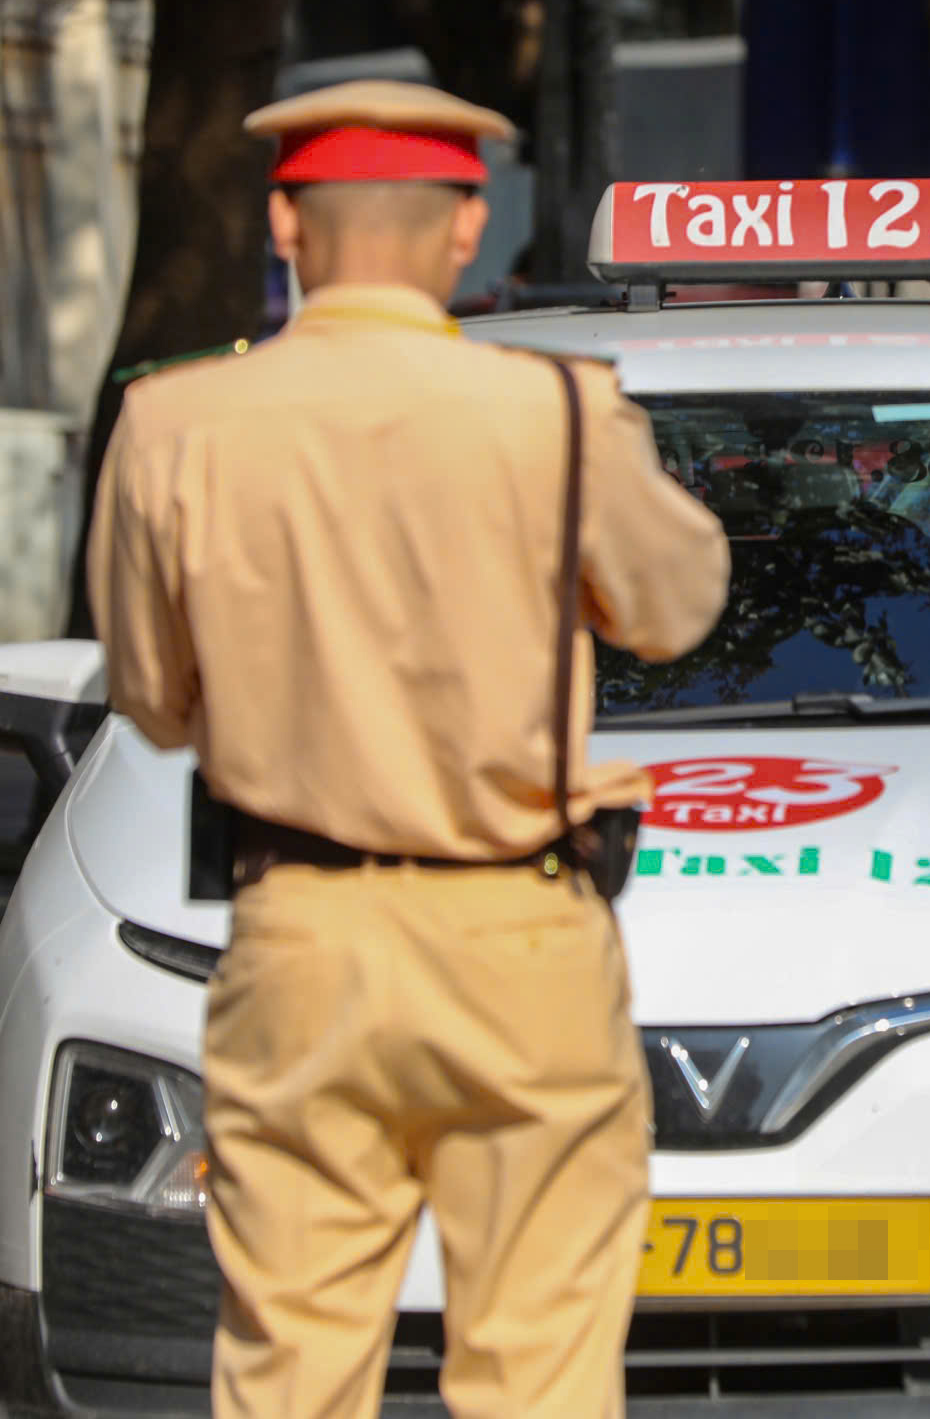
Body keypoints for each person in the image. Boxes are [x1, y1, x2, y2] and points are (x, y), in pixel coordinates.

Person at [86, 80, 730, 1417]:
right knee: (538, 1365)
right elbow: (678, 609)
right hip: (520, 934)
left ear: (284, 222)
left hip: (297, 937)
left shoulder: (171, 425)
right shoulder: (554, 412)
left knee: (293, 1362)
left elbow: (149, 695)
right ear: (464, 230)